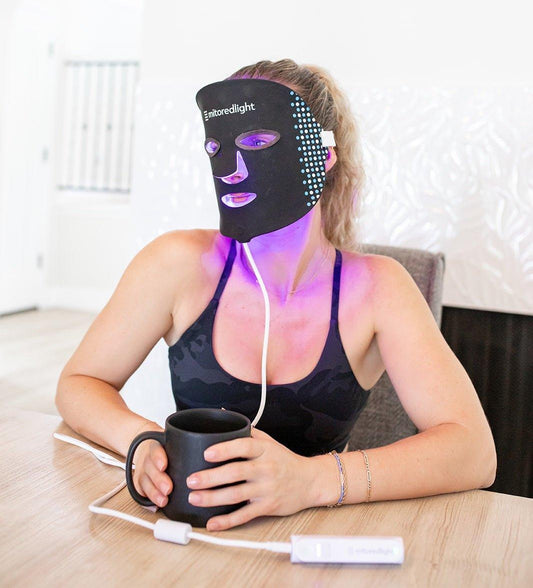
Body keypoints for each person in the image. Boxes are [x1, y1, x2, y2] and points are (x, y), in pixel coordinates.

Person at [55, 59, 496, 533]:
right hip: (191, 530)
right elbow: (79, 382)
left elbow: (473, 451)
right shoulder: (178, 264)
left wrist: (311, 480)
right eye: (216, 147)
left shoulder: (378, 288)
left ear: (322, 155)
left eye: (256, 142)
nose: (230, 168)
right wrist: (140, 440)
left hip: (314, 537)